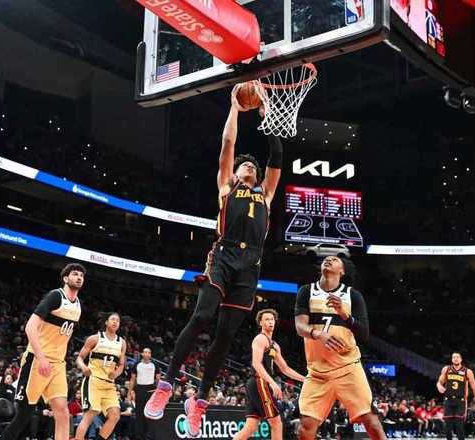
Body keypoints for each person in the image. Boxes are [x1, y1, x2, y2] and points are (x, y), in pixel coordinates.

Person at [145, 84, 284, 437]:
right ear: (235, 174)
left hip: (250, 265)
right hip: (223, 255)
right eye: (244, 165)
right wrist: (235, 107)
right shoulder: (227, 187)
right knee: (202, 316)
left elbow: (276, 156)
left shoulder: (266, 194)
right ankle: (167, 383)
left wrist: (267, 115)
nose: (249, 166)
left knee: (225, 336)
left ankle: (201, 401)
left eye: (252, 166)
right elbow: (228, 145)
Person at [294, 256, 386, 440]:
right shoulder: (306, 291)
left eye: (334, 260)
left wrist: (345, 315)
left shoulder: (353, 296)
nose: (328, 260)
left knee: (372, 423)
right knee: (306, 426)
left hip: (348, 368)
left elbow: (364, 334)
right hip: (318, 372)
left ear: (342, 271)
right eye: (326, 259)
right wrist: (318, 334)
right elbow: (300, 326)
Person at [0, 263, 85, 440]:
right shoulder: (55, 296)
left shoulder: (78, 306)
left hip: (58, 364)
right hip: (37, 361)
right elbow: (30, 327)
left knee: (62, 412)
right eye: (75, 274)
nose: (79, 277)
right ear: (65, 278)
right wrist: (41, 357)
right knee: (24, 415)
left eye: (81, 275)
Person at [233, 308, 305, 440]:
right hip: (259, 381)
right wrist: (272, 383)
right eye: (267, 319)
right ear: (260, 323)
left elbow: (285, 369)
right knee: (276, 423)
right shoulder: (260, 339)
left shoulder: (274, 345)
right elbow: (256, 363)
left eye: (272, 319)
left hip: (257, 383)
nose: (270, 322)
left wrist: (305, 379)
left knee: (251, 427)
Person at [74, 312, 127, 440]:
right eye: (112, 319)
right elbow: (79, 358)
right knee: (91, 414)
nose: (115, 322)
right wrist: (84, 367)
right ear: (106, 322)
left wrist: (116, 373)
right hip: (93, 381)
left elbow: (121, 365)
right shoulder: (95, 338)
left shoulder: (122, 343)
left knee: (115, 415)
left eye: (117, 320)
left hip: (109, 384)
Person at [436, 352, 475, 440]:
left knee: (459, 425)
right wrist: (439, 386)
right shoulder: (446, 369)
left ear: (461, 359)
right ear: (451, 359)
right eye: (454, 357)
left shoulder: (467, 371)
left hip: (460, 401)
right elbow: (439, 382)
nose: (456, 358)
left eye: (457, 357)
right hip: (448, 400)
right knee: (448, 427)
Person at [128, 348, 159, 439]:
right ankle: (139, 436)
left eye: (149, 352)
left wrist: (157, 392)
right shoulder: (137, 364)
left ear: (150, 354)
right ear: (142, 354)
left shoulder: (155, 365)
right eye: (145, 352)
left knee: (150, 413)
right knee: (139, 413)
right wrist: (129, 392)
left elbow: (158, 379)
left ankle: (149, 435)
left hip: (151, 390)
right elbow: (132, 379)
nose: (147, 354)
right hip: (140, 389)